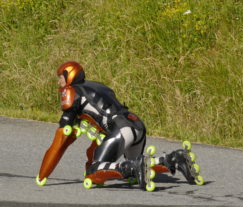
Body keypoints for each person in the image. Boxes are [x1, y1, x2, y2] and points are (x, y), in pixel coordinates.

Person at [36, 61, 198, 190]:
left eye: (60, 77)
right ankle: (174, 159)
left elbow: (63, 132)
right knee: (143, 166)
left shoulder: (71, 91)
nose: (59, 81)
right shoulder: (99, 86)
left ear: (69, 75)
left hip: (121, 129)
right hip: (136, 124)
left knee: (94, 171)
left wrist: (42, 174)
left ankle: (133, 166)